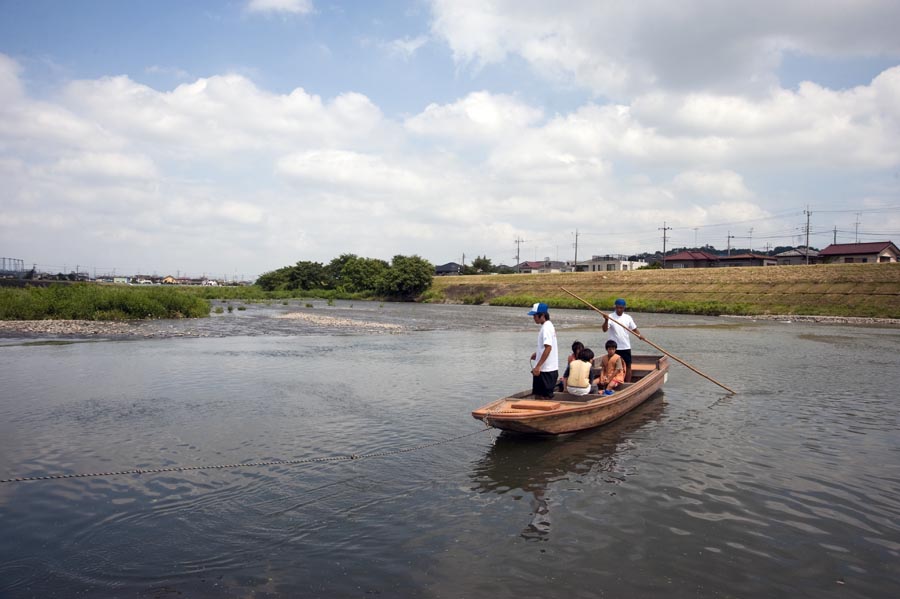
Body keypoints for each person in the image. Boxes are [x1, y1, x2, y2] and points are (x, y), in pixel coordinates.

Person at [601, 298, 641, 382]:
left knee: (628, 366)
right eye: (617, 307)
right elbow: (604, 329)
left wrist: (640, 336)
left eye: (621, 308)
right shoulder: (610, 317)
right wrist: (606, 320)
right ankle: (611, 381)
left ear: (624, 308)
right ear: (615, 307)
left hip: (625, 346)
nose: (619, 309)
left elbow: (634, 329)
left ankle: (627, 384)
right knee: (612, 366)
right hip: (613, 348)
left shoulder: (628, 317)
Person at [528, 302, 559, 398]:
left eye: (535, 316)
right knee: (539, 395)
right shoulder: (548, 326)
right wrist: (538, 354)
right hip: (547, 369)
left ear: (542, 315)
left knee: (543, 397)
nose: (533, 318)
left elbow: (548, 347)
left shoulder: (546, 328)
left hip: (546, 370)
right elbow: (546, 347)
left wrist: (538, 366)